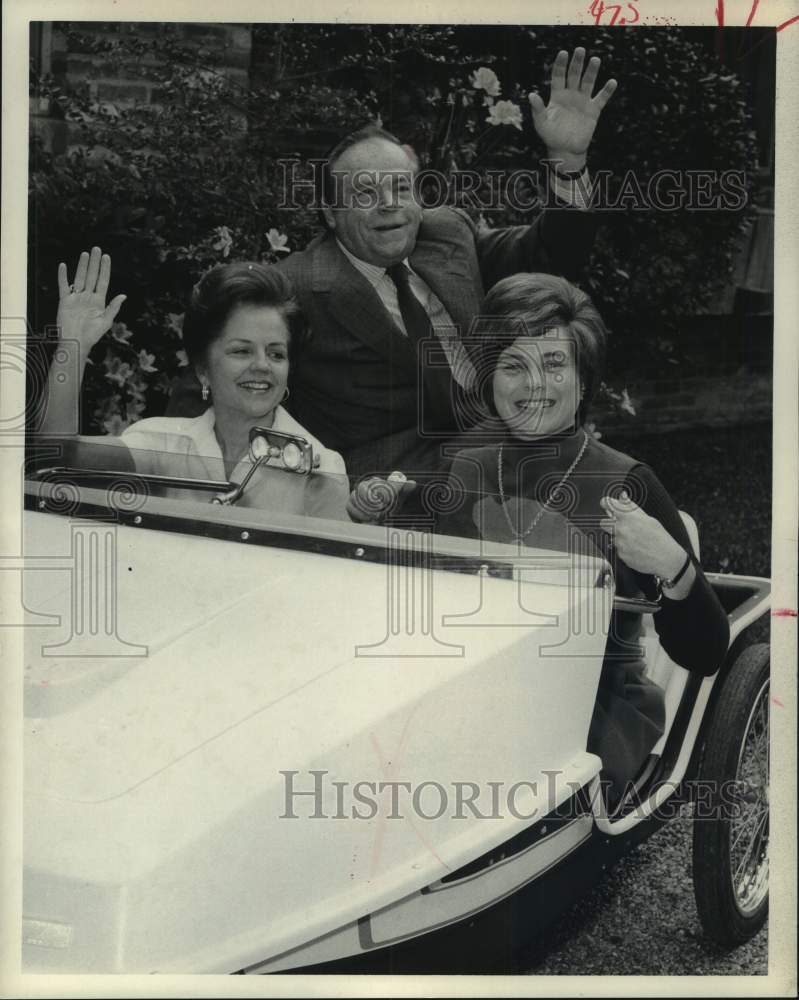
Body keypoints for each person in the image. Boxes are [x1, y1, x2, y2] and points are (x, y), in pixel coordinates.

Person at [168, 48, 618, 479]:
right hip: (391, 487)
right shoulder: (297, 285)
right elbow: (210, 377)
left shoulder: (446, 234)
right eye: (366, 194)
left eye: (402, 189)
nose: (391, 206)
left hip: (512, 445)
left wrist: (568, 162)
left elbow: (552, 256)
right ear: (330, 213)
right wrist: (198, 482)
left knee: (609, 488)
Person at [437, 273, 730, 806]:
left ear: (583, 378)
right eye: (512, 365)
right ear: (488, 378)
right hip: (480, 687)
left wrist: (672, 563)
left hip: (596, 704)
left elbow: (707, 653)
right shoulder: (464, 466)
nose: (535, 385)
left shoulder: (627, 481)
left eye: (553, 363)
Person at [38, 248, 347, 503]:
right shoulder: (163, 443)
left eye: (277, 353)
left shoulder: (320, 467)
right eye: (241, 351)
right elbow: (58, 459)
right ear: (202, 369)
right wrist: (73, 347)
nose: (263, 365)